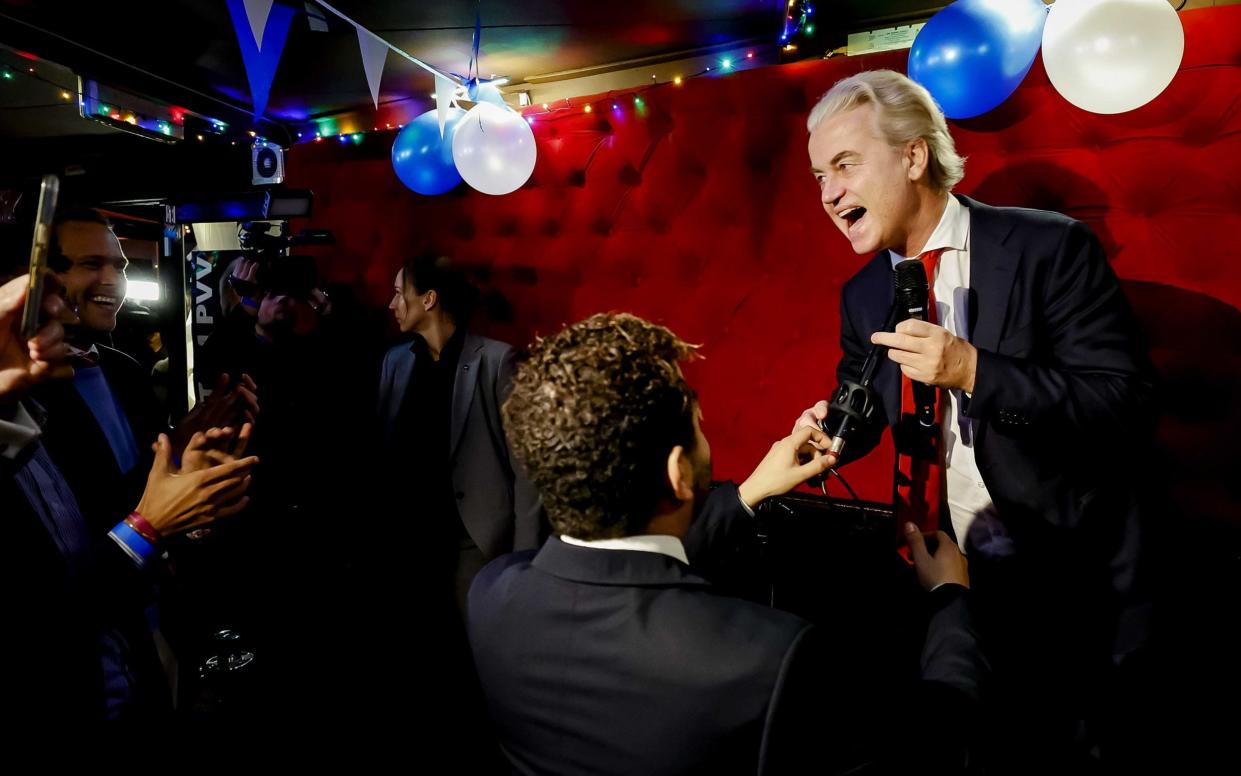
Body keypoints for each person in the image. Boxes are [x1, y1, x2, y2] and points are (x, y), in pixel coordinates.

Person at [794, 70, 1156, 767]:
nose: (827, 194)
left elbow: (1125, 403)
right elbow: (862, 390)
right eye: (817, 175)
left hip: (1068, 584)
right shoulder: (863, 291)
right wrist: (834, 430)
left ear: (911, 156)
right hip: (943, 575)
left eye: (843, 166)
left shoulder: (1049, 249)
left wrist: (971, 369)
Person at [470, 313, 988, 775]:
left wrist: (750, 492)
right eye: (698, 427)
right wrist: (949, 600)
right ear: (678, 472)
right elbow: (940, 745)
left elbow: (629, 563)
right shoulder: (771, 658)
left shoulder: (493, 595)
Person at [0, 272, 256, 721]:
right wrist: (147, 525)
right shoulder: (38, 406)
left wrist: (185, 485)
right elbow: (46, 620)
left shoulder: (51, 407)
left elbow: (94, 529)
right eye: (89, 263)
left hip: (136, 655)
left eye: (117, 266)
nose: (55, 304)